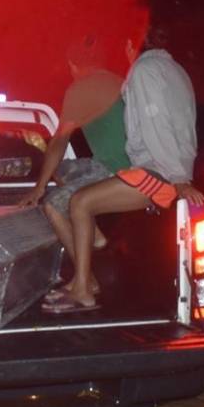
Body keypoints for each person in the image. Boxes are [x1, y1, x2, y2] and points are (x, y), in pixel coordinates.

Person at [44, 27, 204, 314]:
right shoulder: (175, 70)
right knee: (81, 199)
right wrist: (183, 172)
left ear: (133, 44)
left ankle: (83, 289)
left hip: (159, 171)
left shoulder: (144, 71)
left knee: (80, 202)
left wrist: (178, 179)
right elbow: (182, 127)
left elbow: (157, 125)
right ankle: (84, 275)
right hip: (167, 168)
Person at [19, 37, 126, 300]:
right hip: (117, 162)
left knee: (54, 205)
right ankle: (95, 234)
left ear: (72, 65)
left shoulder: (80, 88)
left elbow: (59, 142)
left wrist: (39, 188)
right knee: (64, 169)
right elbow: (58, 155)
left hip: (116, 168)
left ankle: (85, 281)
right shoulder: (118, 80)